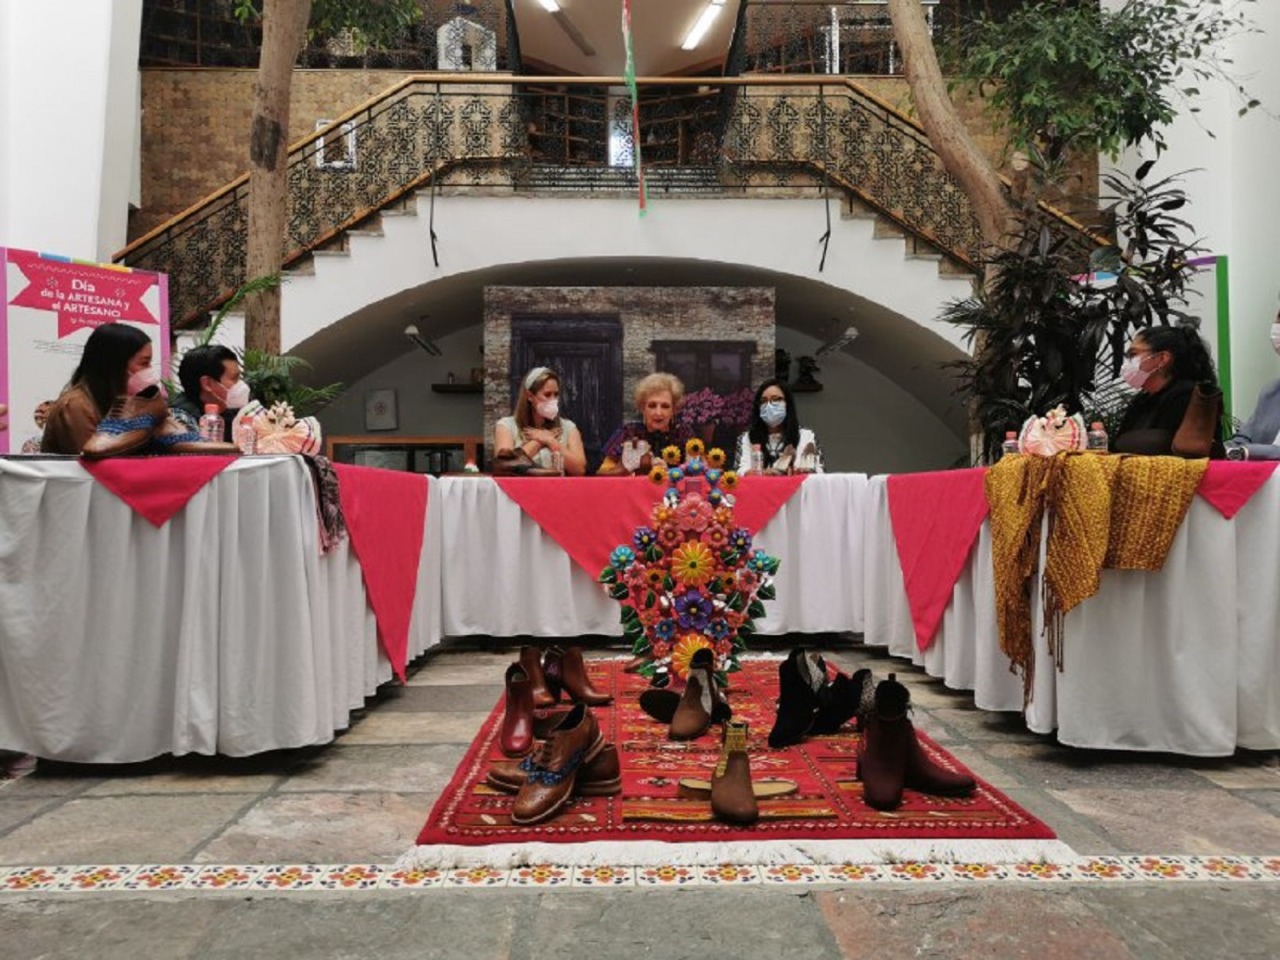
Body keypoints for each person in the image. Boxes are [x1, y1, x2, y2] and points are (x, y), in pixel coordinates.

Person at [41, 323, 154, 454]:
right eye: (144, 363)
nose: (149, 369)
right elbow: (96, 460)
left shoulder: (122, 402)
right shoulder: (76, 406)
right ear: (115, 364)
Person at [1111, 324, 1221, 457]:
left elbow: (1171, 447)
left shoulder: (1191, 396)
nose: (1127, 362)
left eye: (1133, 354)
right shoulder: (1141, 400)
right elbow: (1119, 445)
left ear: (1162, 358)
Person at [493, 366, 587, 476]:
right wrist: (539, 441)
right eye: (547, 395)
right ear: (529, 396)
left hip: (559, 486)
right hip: (521, 487)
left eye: (556, 394)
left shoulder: (568, 427)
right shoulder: (506, 426)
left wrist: (552, 442)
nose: (553, 400)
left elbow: (579, 469)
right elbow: (505, 466)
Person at [597, 372, 694, 476]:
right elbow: (601, 473)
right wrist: (626, 469)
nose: (658, 413)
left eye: (665, 406)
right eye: (652, 406)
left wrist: (671, 472)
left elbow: (699, 469)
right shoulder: (628, 432)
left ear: (674, 410)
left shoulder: (683, 433)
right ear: (642, 408)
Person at [735, 378, 824, 474]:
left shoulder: (806, 436)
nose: (769, 406)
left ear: (788, 404)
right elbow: (739, 474)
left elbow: (820, 475)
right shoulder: (746, 438)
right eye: (763, 401)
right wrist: (764, 474)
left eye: (776, 399)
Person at [1224, 313, 1280, 460]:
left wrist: (1245, 452)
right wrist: (1219, 449)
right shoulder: (1272, 391)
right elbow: (1243, 438)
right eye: (1279, 318)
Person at [172, 344, 249, 442]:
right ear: (207, 384)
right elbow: (193, 446)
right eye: (234, 378)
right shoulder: (180, 416)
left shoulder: (236, 412)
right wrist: (238, 446)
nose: (241, 384)